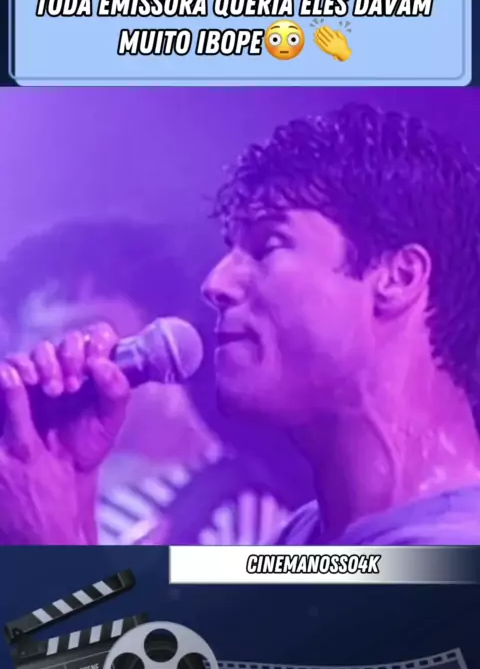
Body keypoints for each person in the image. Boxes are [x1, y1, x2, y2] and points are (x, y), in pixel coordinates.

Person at [4, 101, 480, 546]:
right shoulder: (302, 538)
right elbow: (124, 618)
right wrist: (70, 502)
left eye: (268, 245)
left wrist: (49, 545)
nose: (216, 282)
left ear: (399, 277)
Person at [0, 218, 292, 545]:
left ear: (163, 343)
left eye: (81, 334)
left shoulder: (239, 511)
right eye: (40, 338)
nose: (60, 360)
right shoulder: (22, 488)